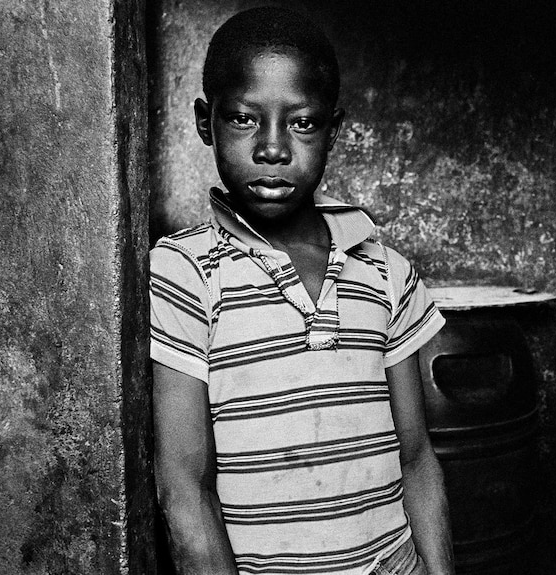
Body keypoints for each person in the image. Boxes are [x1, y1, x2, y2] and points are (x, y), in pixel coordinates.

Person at [149, 7, 454, 575]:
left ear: (334, 129)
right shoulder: (185, 271)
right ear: (204, 121)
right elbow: (185, 491)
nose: (272, 148)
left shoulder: (386, 272)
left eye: (303, 123)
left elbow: (416, 460)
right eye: (243, 119)